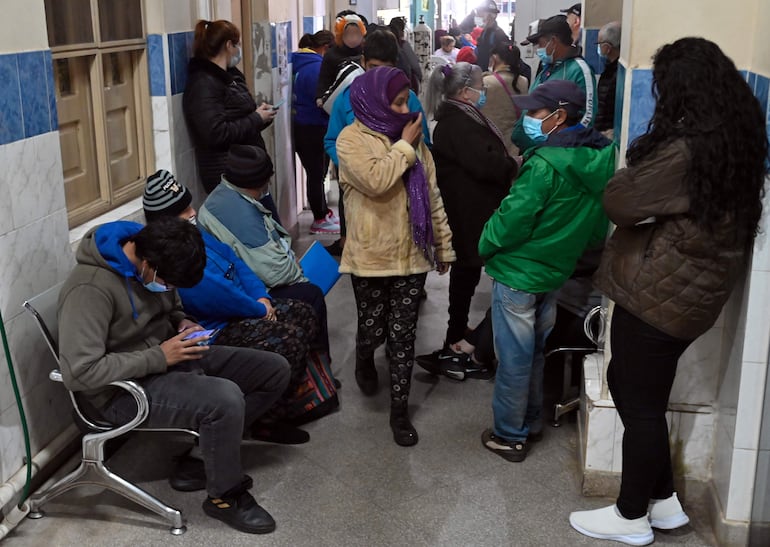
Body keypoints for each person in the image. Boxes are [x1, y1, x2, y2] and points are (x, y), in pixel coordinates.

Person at [569, 37, 768, 546]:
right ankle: (665, 504)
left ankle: (631, 516)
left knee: (637, 400)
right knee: (643, 393)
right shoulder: (736, 139)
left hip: (662, 292)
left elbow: (620, 200)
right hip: (694, 295)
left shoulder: (686, 149)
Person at [57, 217, 290, 534]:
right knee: (225, 400)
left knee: (273, 370)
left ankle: (202, 458)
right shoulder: (90, 289)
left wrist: (183, 322)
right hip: (118, 393)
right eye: (168, 283)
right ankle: (225, 496)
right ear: (148, 264)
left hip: (166, 360)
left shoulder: (152, 261)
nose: (168, 289)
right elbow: (80, 373)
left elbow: (171, 307)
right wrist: (159, 356)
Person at [478, 80, 615, 463]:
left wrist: (485, 243)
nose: (528, 119)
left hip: (519, 274)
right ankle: (532, 422)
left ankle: (509, 435)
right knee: (536, 352)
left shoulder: (543, 166)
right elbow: (593, 230)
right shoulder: (601, 161)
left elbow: (512, 220)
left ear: (559, 116)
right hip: (554, 272)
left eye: (536, 113)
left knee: (514, 359)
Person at [143, 169, 330, 444]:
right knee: (289, 339)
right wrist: (258, 309)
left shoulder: (196, 235)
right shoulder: (173, 252)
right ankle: (257, 421)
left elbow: (236, 262)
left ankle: (280, 410)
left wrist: (261, 298)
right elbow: (212, 295)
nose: (193, 212)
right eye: (184, 210)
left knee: (303, 311)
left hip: (246, 307)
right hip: (217, 327)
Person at [336, 67, 455, 446]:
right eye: (399, 101)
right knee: (374, 328)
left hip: (411, 256)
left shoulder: (414, 141)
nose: (406, 109)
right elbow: (375, 180)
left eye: (408, 101)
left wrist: (443, 244)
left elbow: (433, 193)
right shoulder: (350, 140)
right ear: (374, 100)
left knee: (403, 336)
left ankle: (399, 410)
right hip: (370, 258)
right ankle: (364, 354)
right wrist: (404, 146)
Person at [417, 62, 518, 380]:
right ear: (464, 91)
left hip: (471, 206)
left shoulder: (463, 116)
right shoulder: (457, 123)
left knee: (467, 273)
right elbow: (485, 164)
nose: (484, 92)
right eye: (480, 87)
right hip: (468, 209)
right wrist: (513, 164)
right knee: (466, 274)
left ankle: (458, 333)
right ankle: (458, 339)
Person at [197, 145, 330, 352]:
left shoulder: (225, 195)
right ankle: (318, 372)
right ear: (259, 182)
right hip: (247, 292)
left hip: (246, 281)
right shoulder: (241, 215)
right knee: (311, 294)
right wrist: (296, 268)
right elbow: (276, 273)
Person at [323, 29, 432, 256]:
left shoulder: (408, 99)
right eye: (373, 67)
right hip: (360, 194)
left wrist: (406, 164)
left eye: (386, 68)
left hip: (401, 195)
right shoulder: (348, 98)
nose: (378, 74)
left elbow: (425, 146)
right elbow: (332, 140)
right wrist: (352, 167)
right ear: (363, 62)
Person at [183, 20, 281, 221]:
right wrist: (255, 118)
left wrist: (261, 116)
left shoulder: (230, 77)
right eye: (237, 44)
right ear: (229, 45)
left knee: (272, 233)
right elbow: (214, 133)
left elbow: (237, 118)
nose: (239, 50)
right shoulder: (203, 83)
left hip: (248, 171)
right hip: (229, 176)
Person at [513, 15, 596, 152]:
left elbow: (587, 118)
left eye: (539, 44)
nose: (537, 49)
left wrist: (554, 149)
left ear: (553, 41)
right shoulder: (547, 69)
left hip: (553, 154)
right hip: (532, 151)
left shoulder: (579, 70)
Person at [292, 29, 341, 235]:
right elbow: (324, 101)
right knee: (316, 174)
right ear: (326, 48)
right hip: (315, 126)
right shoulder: (317, 69)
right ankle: (319, 218)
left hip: (301, 126)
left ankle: (322, 213)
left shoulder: (295, 61)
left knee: (314, 173)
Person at [483, 41, 528, 156]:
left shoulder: (486, 82)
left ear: (495, 58)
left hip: (491, 144)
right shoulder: (523, 81)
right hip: (515, 145)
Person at [315, 12, 367, 105]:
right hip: (337, 101)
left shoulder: (366, 53)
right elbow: (324, 79)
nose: (353, 38)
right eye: (349, 34)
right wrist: (321, 97)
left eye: (356, 34)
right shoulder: (331, 55)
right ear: (341, 35)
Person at [461, 1, 509, 72]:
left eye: (480, 14)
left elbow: (504, 58)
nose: (477, 17)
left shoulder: (499, 34)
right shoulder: (485, 32)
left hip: (493, 77)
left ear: (490, 16)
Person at [594, 21, 621, 137]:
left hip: (607, 131)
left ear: (607, 47)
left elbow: (604, 106)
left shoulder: (616, 74)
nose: (599, 47)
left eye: (599, 43)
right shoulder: (610, 68)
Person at [389, 16, 423, 93]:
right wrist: (420, 78)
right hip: (406, 84)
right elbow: (415, 65)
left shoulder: (385, 43)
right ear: (402, 31)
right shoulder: (403, 45)